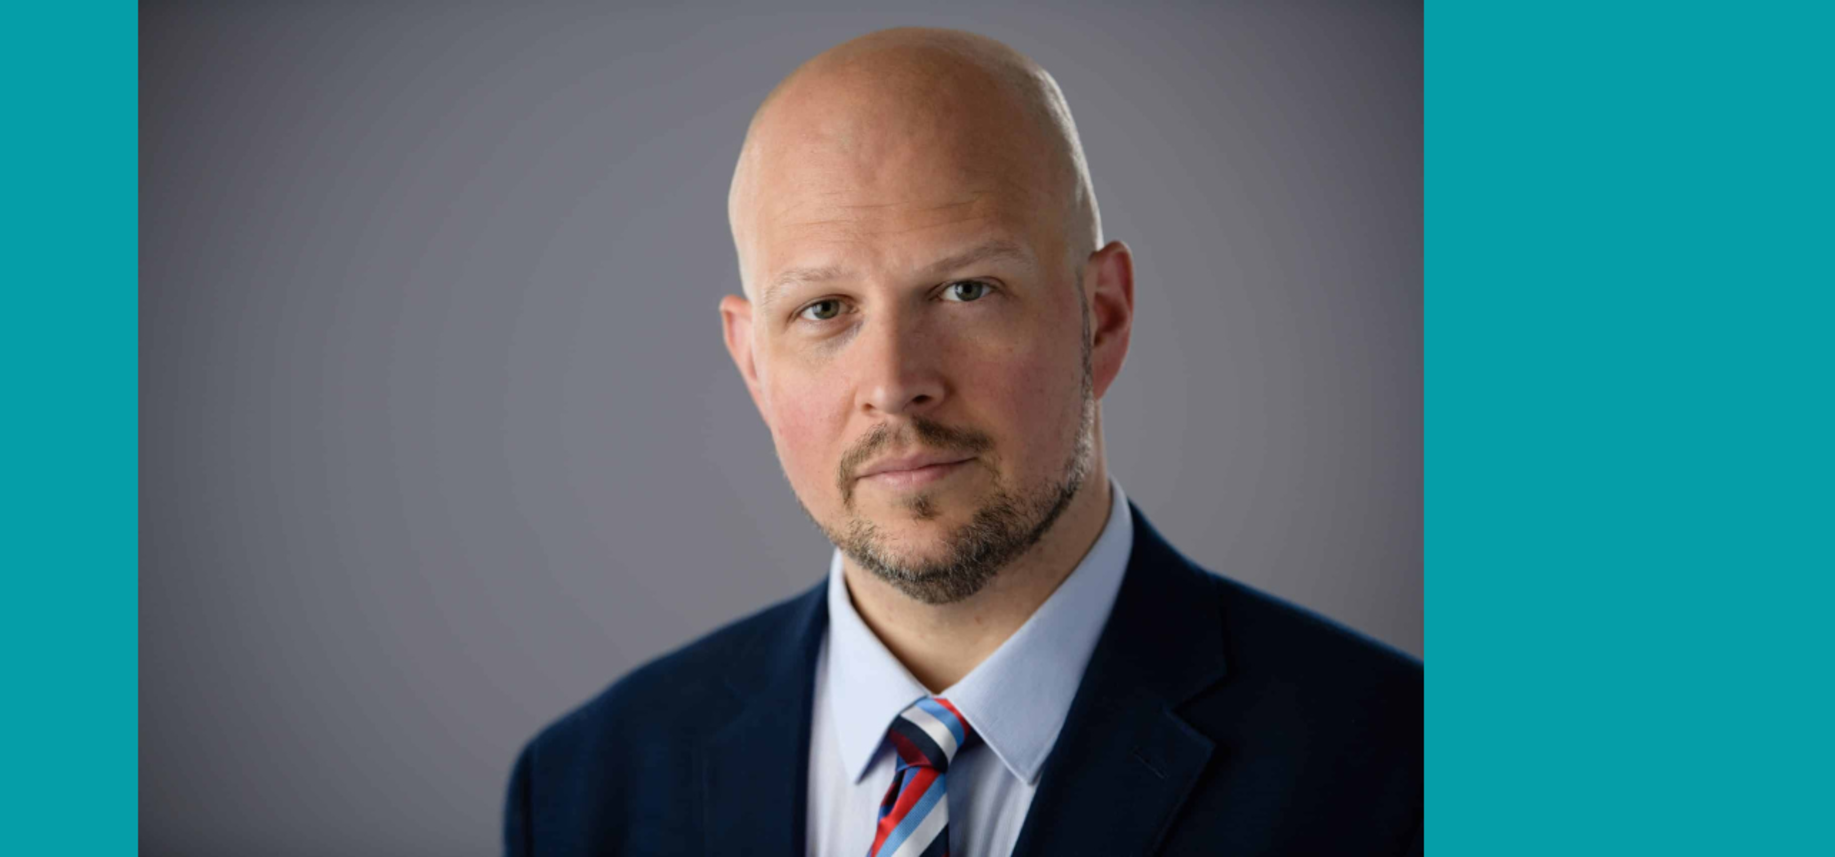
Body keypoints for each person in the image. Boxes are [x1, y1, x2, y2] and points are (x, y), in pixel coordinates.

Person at [504, 26, 1419, 857]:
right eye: (824, 309)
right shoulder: (586, 792)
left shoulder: (1406, 773)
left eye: (966, 290)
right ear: (753, 362)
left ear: (1101, 316)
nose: (895, 381)